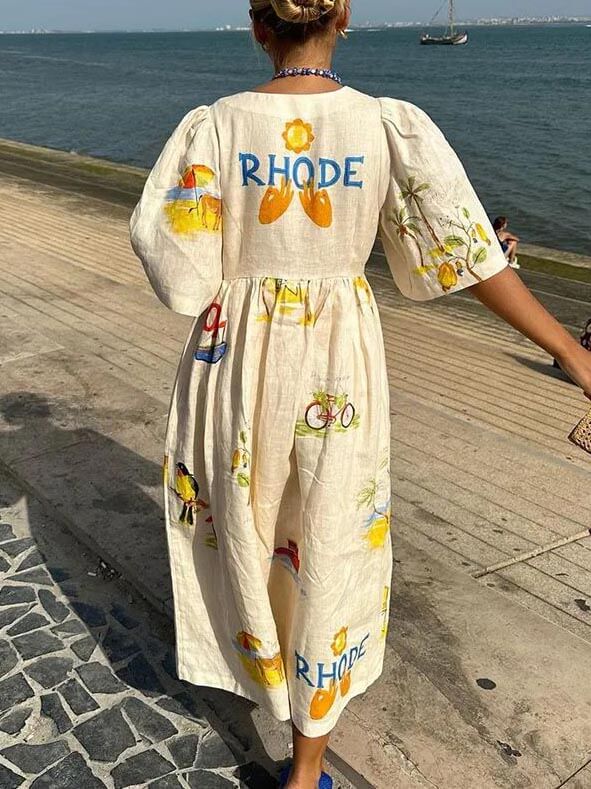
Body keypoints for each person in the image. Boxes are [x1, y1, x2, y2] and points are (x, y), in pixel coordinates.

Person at [128, 1, 591, 786]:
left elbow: (175, 263)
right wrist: (572, 353)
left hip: (234, 358)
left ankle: (256, 669)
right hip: (339, 365)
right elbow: (469, 254)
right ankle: (306, 766)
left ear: (258, 27)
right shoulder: (383, 126)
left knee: (243, 527)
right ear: (342, 18)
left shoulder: (213, 127)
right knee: (330, 543)